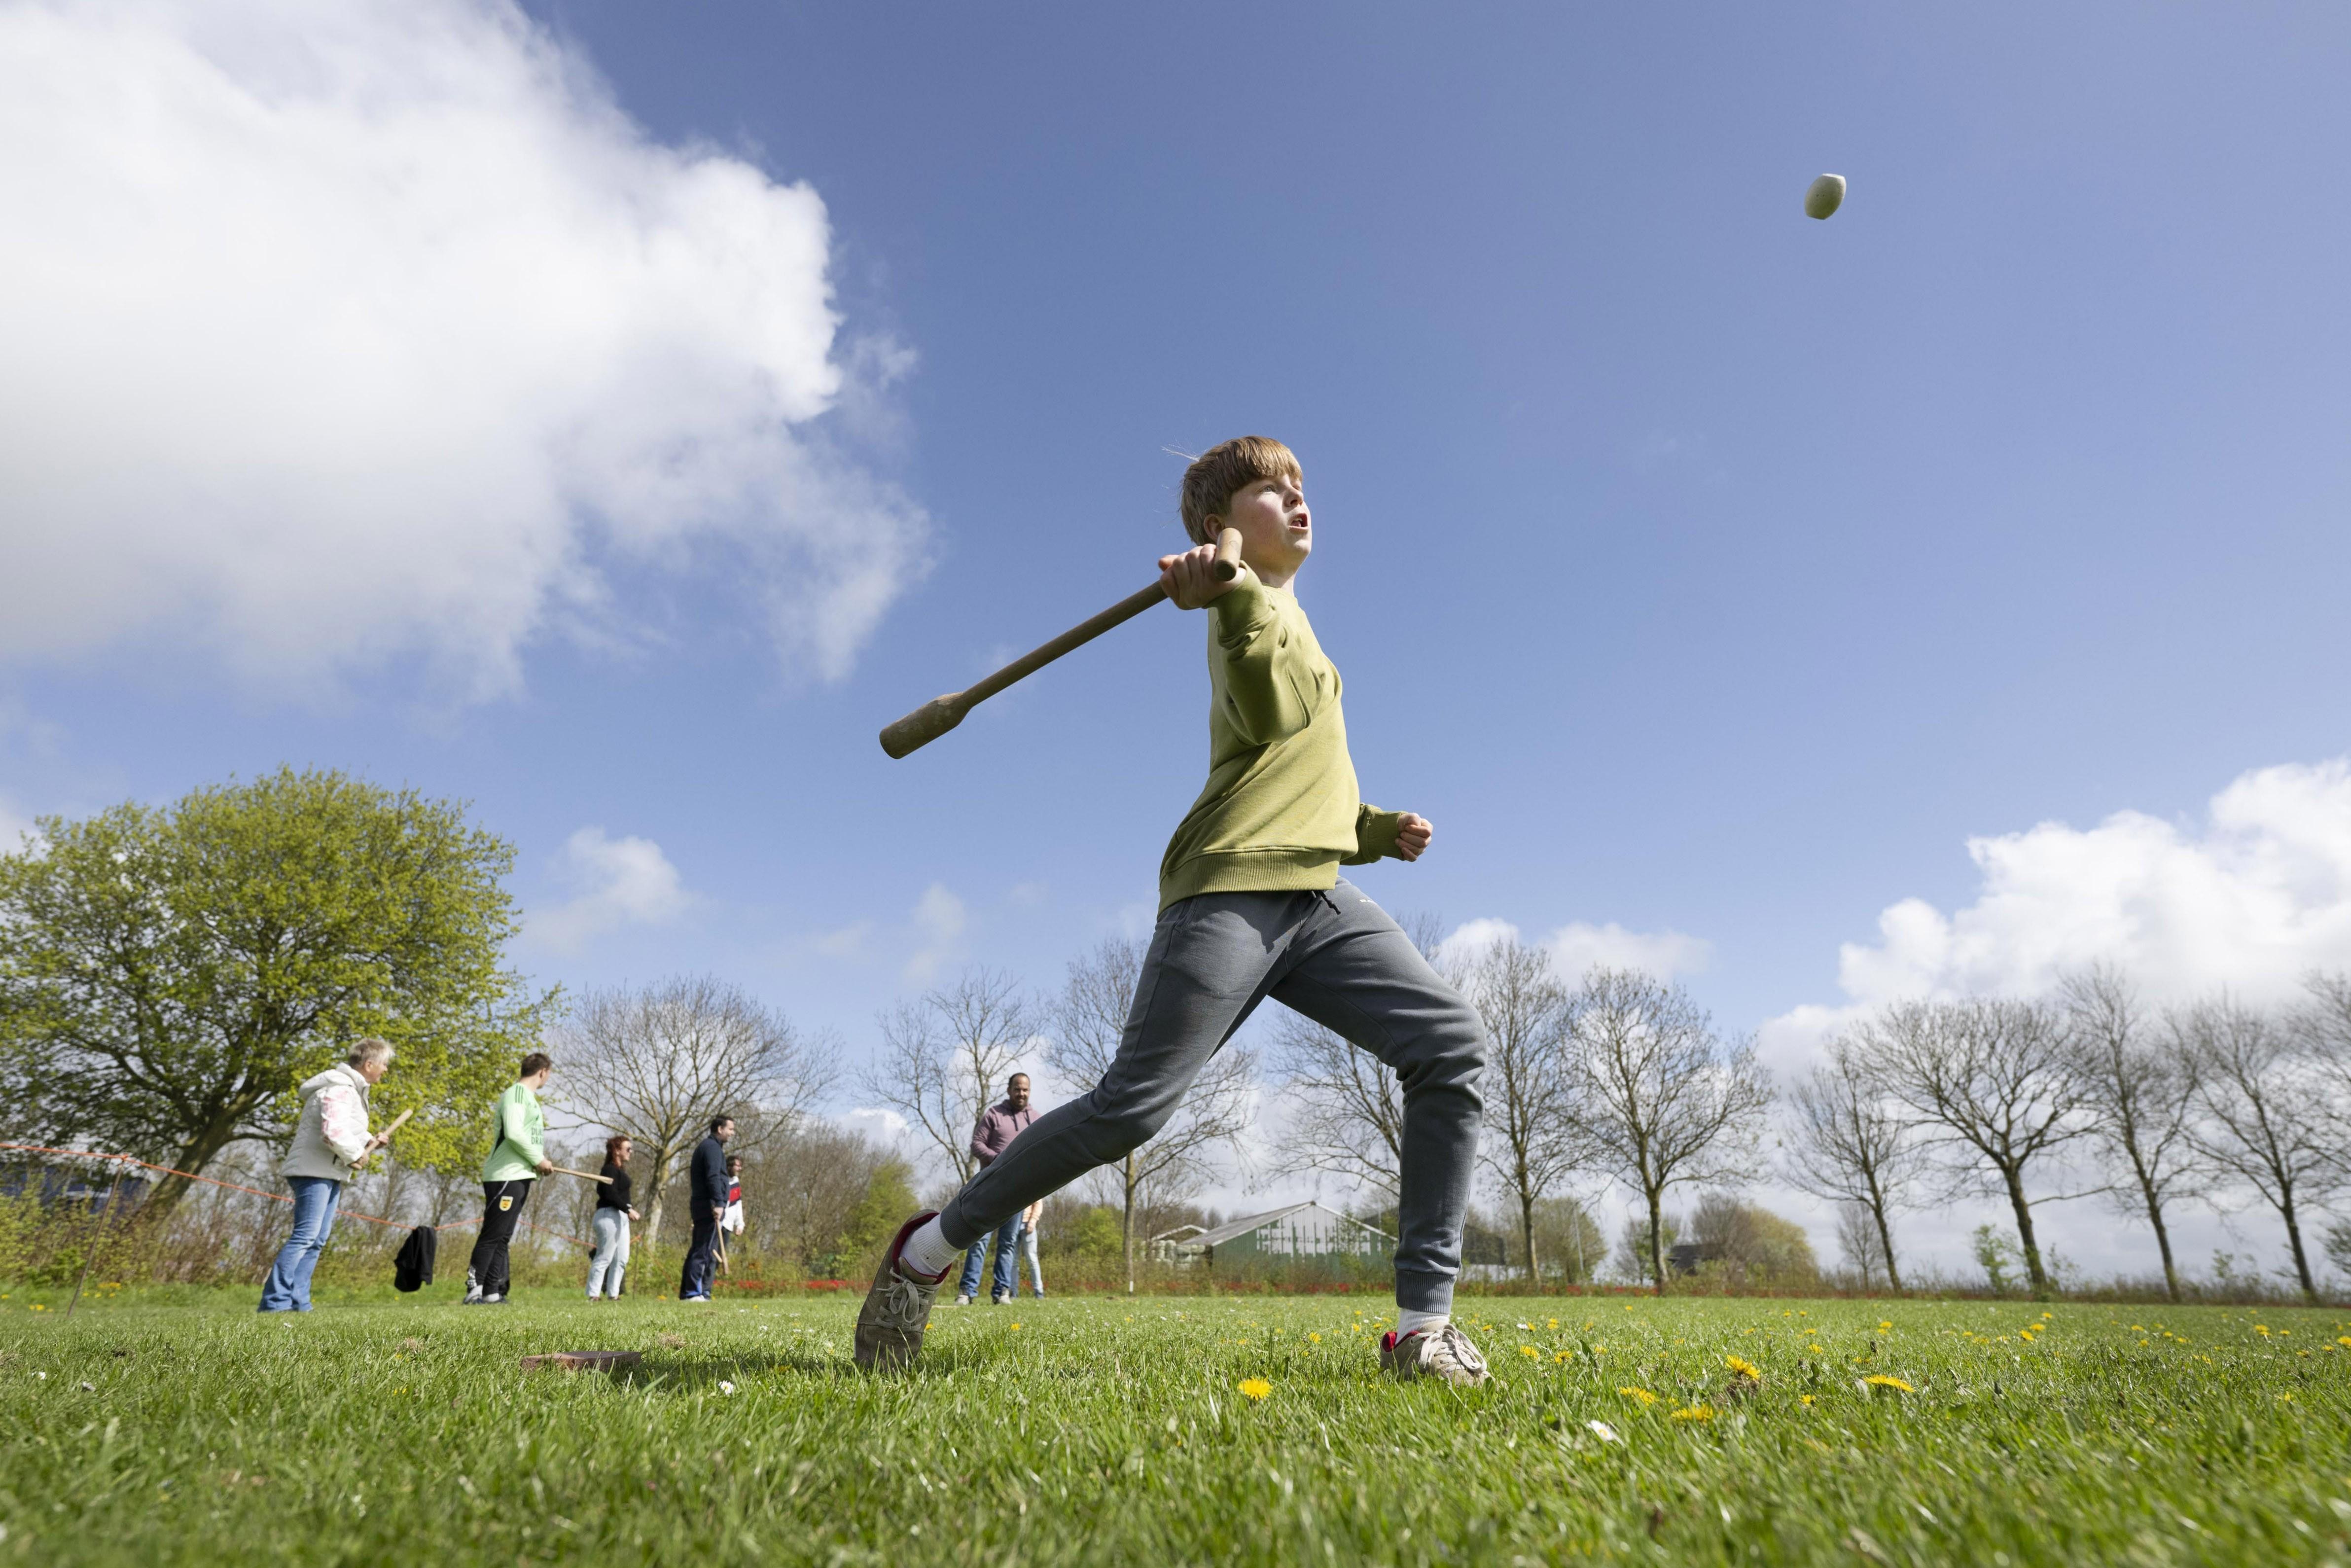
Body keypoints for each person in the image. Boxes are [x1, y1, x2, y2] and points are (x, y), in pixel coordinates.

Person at [857, 438, 1490, 1383]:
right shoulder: (1246, 609)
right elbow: (1265, 705)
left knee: (1452, 1047)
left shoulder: (1292, 621)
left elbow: (1281, 767)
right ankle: (925, 1251)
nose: (1298, 500)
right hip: (1230, 887)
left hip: (1318, 892)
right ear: (1218, 528)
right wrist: (1227, 593)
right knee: (1130, 1111)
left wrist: (1368, 828)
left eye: (1301, 487)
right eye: (1272, 491)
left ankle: (1421, 1328)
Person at [260, 1037, 394, 1313]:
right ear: (369, 1065)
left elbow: (346, 1128)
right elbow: (332, 1131)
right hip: (313, 1171)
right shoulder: (339, 1089)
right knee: (305, 1236)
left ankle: (299, 1302)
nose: (386, 1070)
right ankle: (275, 1303)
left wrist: (370, 1140)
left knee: (317, 1239)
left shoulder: (351, 1093)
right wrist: (356, 1155)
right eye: (384, 1065)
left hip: (329, 1172)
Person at [464, 1052, 554, 1305]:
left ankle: (492, 1292)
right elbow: (513, 1133)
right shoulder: (516, 1094)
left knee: (504, 1236)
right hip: (505, 1174)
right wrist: (539, 1159)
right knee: (492, 1234)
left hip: (521, 1174)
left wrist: (537, 1162)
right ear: (543, 1072)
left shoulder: (529, 1098)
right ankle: (474, 1289)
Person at [952, 1073, 1034, 1306]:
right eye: (1017, 1089)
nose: (1022, 1094)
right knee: (979, 1240)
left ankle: (1001, 1293)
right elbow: (976, 1145)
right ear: (1009, 1090)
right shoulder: (994, 1115)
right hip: (990, 1188)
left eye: (1026, 1090)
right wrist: (999, 1159)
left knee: (1008, 1244)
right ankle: (967, 1292)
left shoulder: (1036, 1119)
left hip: (1018, 1192)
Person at [679, 1115, 733, 1303]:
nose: (732, 1133)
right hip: (709, 1205)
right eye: (730, 1129)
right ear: (720, 1129)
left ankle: (687, 1293)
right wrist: (719, 1202)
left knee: (699, 1248)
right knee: (703, 1250)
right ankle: (693, 1292)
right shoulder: (712, 1148)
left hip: (703, 1204)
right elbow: (713, 1176)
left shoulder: (710, 1147)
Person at [585, 1134, 639, 1301]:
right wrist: (627, 1209)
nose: (631, 1152)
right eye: (628, 1149)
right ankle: (593, 1294)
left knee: (622, 1258)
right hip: (609, 1215)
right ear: (617, 1151)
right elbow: (609, 1193)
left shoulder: (619, 1171)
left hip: (621, 1217)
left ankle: (613, 1294)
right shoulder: (608, 1170)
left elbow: (619, 1195)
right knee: (605, 1257)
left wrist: (627, 1210)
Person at [1016, 1200, 1044, 1300]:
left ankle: (1039, 1291)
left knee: (1032, 1259)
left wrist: (1033, 1220)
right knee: (1013, 1262)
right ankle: (1013, 1292)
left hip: (1028, 1224)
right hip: (1012, 1225)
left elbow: (1038, 1203)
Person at [722, 1155, 746, 1240]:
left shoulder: (736, 1183)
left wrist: (740, 1224)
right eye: (738, 1166)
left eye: (741, 1166)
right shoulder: (720, 1180)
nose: (740, 1169)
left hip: (728, 1226)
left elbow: (738, 1205)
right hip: (716, 1225)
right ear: (729, 1166)